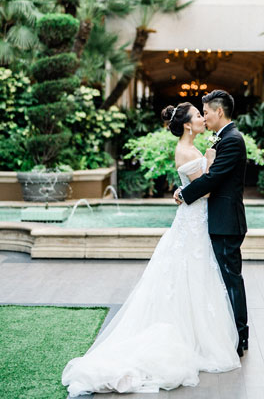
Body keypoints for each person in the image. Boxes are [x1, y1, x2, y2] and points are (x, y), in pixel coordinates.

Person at [62, 101, 240, 397]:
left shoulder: (190, 148)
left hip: (194, 222)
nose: (202, 118)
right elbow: (205, 189)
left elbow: (193, 188)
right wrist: (208, 162)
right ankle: (193, 339)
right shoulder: (186, 150)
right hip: (193, 223)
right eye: (198, 115)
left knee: (195, 277)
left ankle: (198, 333)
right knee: (191, 275)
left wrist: (186, 187)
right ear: (186, 124)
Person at [173, 89, 249, 355]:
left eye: (205, 112)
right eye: (200, 114)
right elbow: (203, 175)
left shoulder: (232, 140)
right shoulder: (223, 139)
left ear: (219, 111)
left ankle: (240, 337)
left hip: (226, 221)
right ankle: (230, 334)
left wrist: (183, 193)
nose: (204, 118)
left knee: (231, 279)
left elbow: (212, 179)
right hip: (217, 220)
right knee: (224, 279)